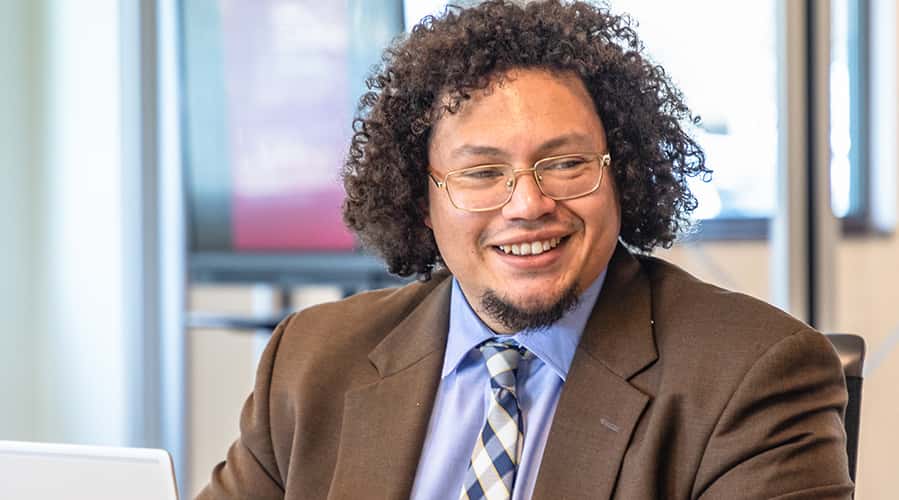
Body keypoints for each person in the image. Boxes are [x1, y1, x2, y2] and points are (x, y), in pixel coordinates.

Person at [197, 1, 853, 499]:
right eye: (481, 173)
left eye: (565, 162)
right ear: (419, 198)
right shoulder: (312, 360)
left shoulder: (754, 374)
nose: (527, 203)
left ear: (619, 171)